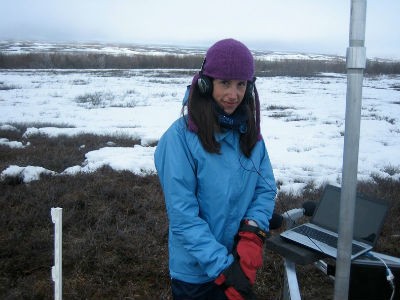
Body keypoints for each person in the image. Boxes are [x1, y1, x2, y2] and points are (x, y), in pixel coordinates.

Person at [154, 38, 276, 300]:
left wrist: (252, 236)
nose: (233, 94)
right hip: (195, 276)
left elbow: (264, 189)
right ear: (205, 84)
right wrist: (225, 270)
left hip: (236, 264)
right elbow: (184, 217)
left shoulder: (251, 136)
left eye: (241, 84)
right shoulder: (178, 139)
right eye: (225, 83)